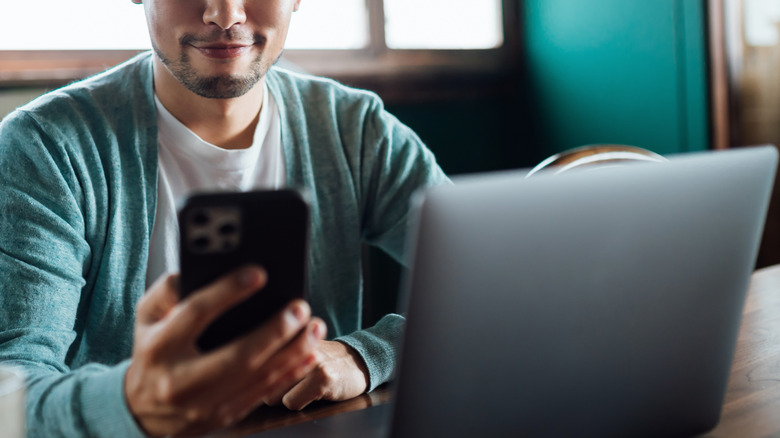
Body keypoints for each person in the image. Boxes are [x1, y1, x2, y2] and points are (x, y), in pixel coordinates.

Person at [0, 0, 448, 436]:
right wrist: (132, 404)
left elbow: (496, 292)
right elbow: (12, 392)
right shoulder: (45, 148)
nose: (225, 13)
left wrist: (368, 355)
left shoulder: (355, 128)